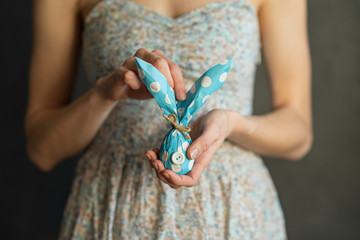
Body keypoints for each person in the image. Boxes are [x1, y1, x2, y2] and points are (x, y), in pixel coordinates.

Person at [25, 0, 312, 239]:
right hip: (112, 210)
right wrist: (104, 95)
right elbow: (42, 151)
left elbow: (298, 133)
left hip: (232, 212)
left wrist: (233, 123)